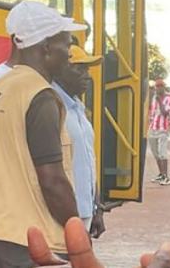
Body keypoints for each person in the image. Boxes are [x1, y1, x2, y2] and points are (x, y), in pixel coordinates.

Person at [0, 1, 84, 267]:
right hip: (33, 242)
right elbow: (52, 180)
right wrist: (78, 235)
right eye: (66, 44)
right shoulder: (40, 95)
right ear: (46, 46)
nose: (69, 54)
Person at [54, 45, 105, 237]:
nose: (87, 75)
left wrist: (96, 207)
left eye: (87, 69)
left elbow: (88, 159)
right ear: (60, 70)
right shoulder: (51, 104)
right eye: (79, 68)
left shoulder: (78, 108)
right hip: (64, 215)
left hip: (84, 212)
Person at [148, 79, 170, 186]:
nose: (158, 88)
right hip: (153, 127)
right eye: (157, 86)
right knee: (155, 153)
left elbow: (165, 113)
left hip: (163, 129)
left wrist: (160, 100)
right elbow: (152, 111)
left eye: (160, 86)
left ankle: (166, 176)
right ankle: (161, 174)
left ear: (164, 87)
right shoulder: (153, 98)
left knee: (162, 153)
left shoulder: (169, 98)